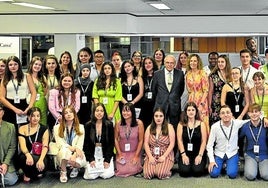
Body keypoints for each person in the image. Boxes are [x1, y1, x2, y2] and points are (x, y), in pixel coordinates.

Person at [207, 105, 249, 179]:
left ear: (231, 114)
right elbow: (209, 146)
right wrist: (211, 161)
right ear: (220, 115)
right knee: (213, 173)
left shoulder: (236, 123)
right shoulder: (215, 127)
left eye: (228, 112)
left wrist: (263, 119)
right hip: (219, 153)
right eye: (223, 113)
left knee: (232, 174)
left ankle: (230, 164)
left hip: (232, 153)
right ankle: (224, 164)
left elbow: (250, 120)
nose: (225, 115)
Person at [0, 56, 37, 129]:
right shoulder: (5, 78)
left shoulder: (27, 76)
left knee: (25, 130)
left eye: (15, 64)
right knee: (11, 130)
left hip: (24, 106)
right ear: (8, 66)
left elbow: (34, 93)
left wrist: (29, 107)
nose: (13, 66)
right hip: (9, 106)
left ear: (19, 65)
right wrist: (14, 109)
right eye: (10, 65)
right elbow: (1, 97)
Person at [54, 105, 86, 183]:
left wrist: (74, 154)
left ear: (74, 114)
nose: (68, 114)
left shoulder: (81, 127)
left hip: (76, 152)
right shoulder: (57, 128)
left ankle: (75, 168)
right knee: (65, 151)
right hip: (63, 153)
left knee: (79, 163)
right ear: (63, 116)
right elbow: (60, 144)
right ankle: (63, 171)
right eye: (66, 113)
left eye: (71, 112)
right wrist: (73, 149)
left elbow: (80, 145)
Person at [152, 55, 184, 129]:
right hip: (161, 105)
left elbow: (180, 90)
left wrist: (174, 97)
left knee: (175, 127)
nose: (169, 64)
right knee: (160, 127)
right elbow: (154, 90)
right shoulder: (157, 74)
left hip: (175, 105)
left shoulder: (180, 74)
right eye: (167, 62)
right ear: (164, 63)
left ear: (175, 64)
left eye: (172, 63)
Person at [83, 103, 114, 180]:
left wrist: (107, 160)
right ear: (93, 112)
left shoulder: (109, 125)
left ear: (104, 113)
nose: (99, 113)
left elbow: (111, 144)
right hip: (93, 153)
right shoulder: (88, 125)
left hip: (104, 153)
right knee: (89, 176)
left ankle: (100, 170)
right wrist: (91, 159)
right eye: (97, 111)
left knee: (107, 175)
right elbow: (86, 144)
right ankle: (97, 170)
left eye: (101, 111)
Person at [18, 107, 49, 183]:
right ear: (28, 117)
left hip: (40, 156)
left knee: (42, 163)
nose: (35, 118)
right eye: (33, 116)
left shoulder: (44, 128)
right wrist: (28, 155)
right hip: (26, 155)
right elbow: (22, 146)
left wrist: (41, 159)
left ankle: (31, 173)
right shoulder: (22, 128)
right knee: (23, 159)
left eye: (38, 116)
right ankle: (31, 173)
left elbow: (45, 146)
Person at [143, 107, 175, 179]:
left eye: (161, 116)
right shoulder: (149, 127)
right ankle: (154, 167)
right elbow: (146, 144)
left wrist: (164, 156)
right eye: (156, 116)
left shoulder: (169, 127)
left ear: (164, 117)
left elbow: (172, 143)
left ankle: (165, 168)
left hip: (165, 154)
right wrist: (150, 157)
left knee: (160, 173)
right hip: (152, 153)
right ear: (153, 117)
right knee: (148, 174)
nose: (158, 118)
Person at [177, 102, 207, 177]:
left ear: (196, 112)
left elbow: (204, 141)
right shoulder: (181, 124)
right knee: (184, 172)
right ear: (186, 112)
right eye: (189, 110)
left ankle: (195, 165)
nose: (191, 112)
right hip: (185, 153)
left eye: (193, 110)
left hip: (198, 153)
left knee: (197, 172)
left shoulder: (201, 124)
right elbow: (179, 140)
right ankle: (188, 165)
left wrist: (200, 155)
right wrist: (183, 155)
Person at [114, 103, 144, 177]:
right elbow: (115, 139)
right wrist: (119, 154)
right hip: (122, 152)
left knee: (133, 169)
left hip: (135, 152)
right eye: (123, 111)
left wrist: (136, 156)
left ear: (132, 112)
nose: (125, 113)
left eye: (128, 111)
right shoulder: (118, 123)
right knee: (122, 171)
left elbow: (141, 140)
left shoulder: (139, 123)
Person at [240, 103, 268, 181]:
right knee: (250, 175)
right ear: (248, 114)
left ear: (260, 113)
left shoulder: (266, 125)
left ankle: (261, 169)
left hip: (264, 155)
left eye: (256, 111)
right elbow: (239, 139)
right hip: (250, 154)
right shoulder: (245, 126)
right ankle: (255, 168)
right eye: (252, 112)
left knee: (266, 176)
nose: (254, 114)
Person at [185, 54, 209, 132]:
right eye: (191, 61)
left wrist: (201, 104)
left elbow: (206, 90)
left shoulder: (202, 73)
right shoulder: (187, 74)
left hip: (202, 100)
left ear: (198, 62)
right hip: (191, 100)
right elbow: (188, 90)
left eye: (195, 61)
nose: (193, 63)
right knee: (192, 121)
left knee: (203, 122)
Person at [208, 54, 232, 125]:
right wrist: (209, 106)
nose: (220, 64)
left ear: (226, 63)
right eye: (218, 62)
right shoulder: (213, 75)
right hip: (216, 103)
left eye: (222, 62)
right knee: (216, 122)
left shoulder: (231, 74)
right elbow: (210, 91)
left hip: (229, 101)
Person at [0, 103, 18, 186]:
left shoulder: (11, 127)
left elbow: (12, 147)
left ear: (3, 112)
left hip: (5, 161)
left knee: (12, 180)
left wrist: (5, 163)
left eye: (0, 110)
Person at [27, 56, 48, 126]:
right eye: (36, 64)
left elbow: (45, 92)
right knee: (32, 123)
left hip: (42, 104)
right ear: (31, 65)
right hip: (31, 103)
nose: (37, 66)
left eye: (40, 65)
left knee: (42, 125)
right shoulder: (26, 76)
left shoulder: (43, 77)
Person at [140, 57, 158, 129]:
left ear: (153, 64)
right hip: (144, 106)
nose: (148, 65)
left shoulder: (158, 76)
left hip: (155, 105)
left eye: (150, 63)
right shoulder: (142, 77)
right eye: (145, 63)